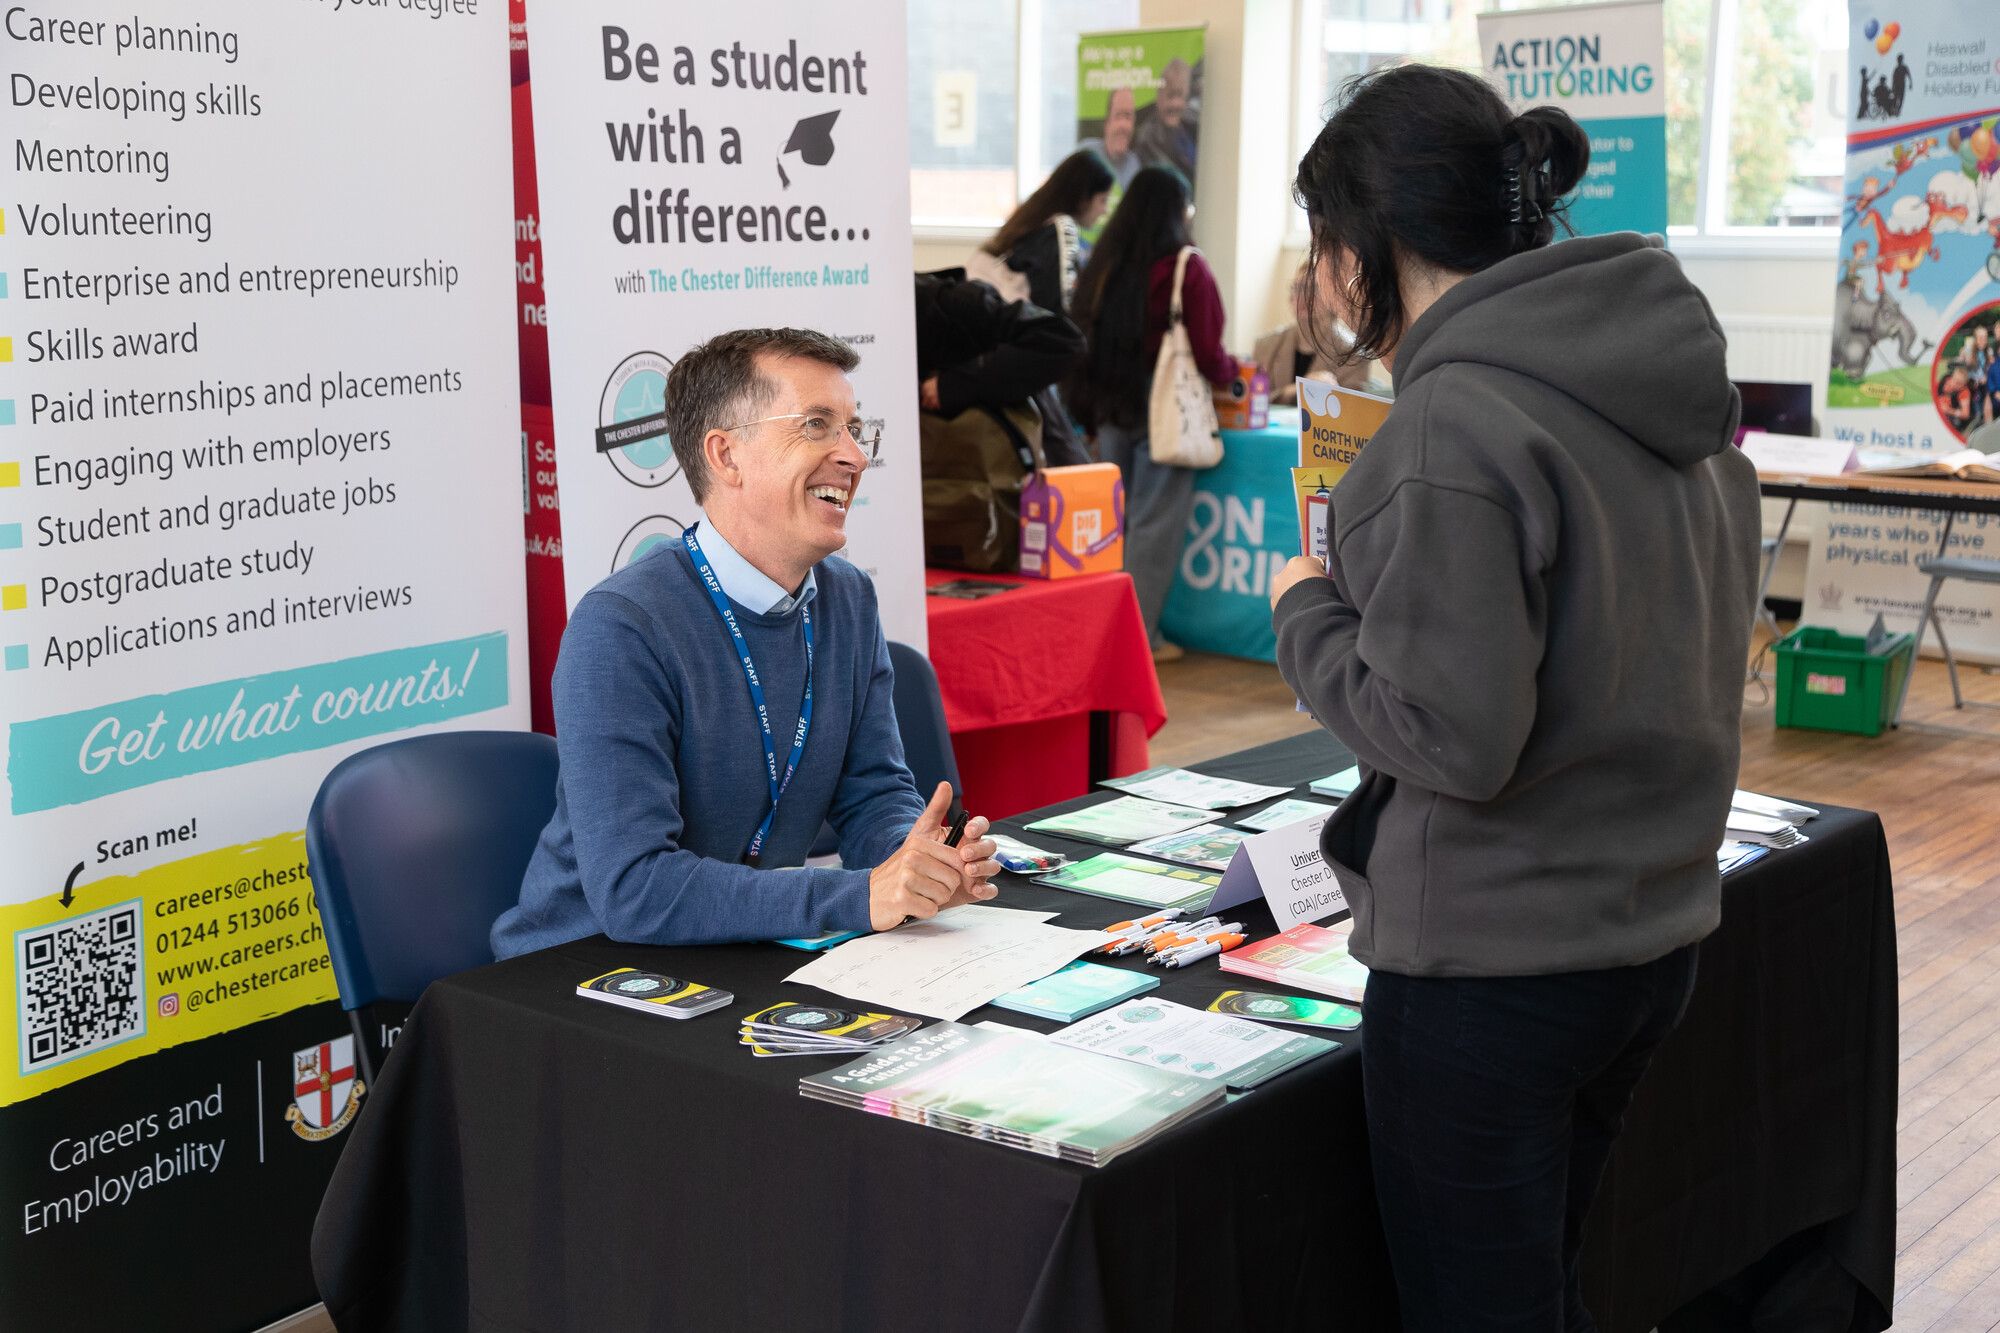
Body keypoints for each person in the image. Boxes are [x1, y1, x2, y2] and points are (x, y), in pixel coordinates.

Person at [1267, 64, 1759, 1329]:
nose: (1319, 284)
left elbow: (1446, 733)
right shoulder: (1665, 382)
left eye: (1322, 247)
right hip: (1644, 936)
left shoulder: (1454, 423)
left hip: (1492, 970)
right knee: (1540, 1287)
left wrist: (1306, 611)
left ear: (1371, 241)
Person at [492, 328, 1002, 957]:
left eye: (852, 427)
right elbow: (635, 889)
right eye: (817, 425)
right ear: (726, 456)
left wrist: (916, 860)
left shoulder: (847, 597)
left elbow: (873, 793)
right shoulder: (621, 627)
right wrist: (860, 895)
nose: (854, 456)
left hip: (745, 945)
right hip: (586, 965)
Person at [1066, 165, 1236, 662]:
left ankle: (1105, 630)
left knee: (1115, 525)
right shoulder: (1187, 268)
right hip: (1168, 411)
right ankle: (1138, 640)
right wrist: (1234, 373)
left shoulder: (1107, 265)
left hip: (1111, 406)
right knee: (1153, 525)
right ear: (1176, 210)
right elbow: (1207, 351)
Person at [967, 151, 1116, 313]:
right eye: (1102, 201)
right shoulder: (1062, 227)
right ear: (1083, 198)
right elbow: (1060, 307)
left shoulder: (1037, 218)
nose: (1105, 210)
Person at [1252, 262, 1379, 405]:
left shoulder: (1355, 355)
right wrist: (1297, 389)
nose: (1304, 296)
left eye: (1314, 289)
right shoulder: (1265, 346)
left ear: (1335, 300)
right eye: (1298, 288)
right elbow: (1251, 400)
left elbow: (1349, 412)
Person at [1133, 57, 1199, 184]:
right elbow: (1169, 180)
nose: (1174, 104)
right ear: (1158, 97)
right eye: (1170, 95)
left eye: (1179, 94)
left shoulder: (1193, 122)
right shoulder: (1149, 136)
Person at [1078, 87, 1141, 190]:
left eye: (1128, 117)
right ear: (1107, 123)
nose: (1123, 125)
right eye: (1118, 116)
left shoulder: (1134, 165)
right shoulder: (1087, 153)